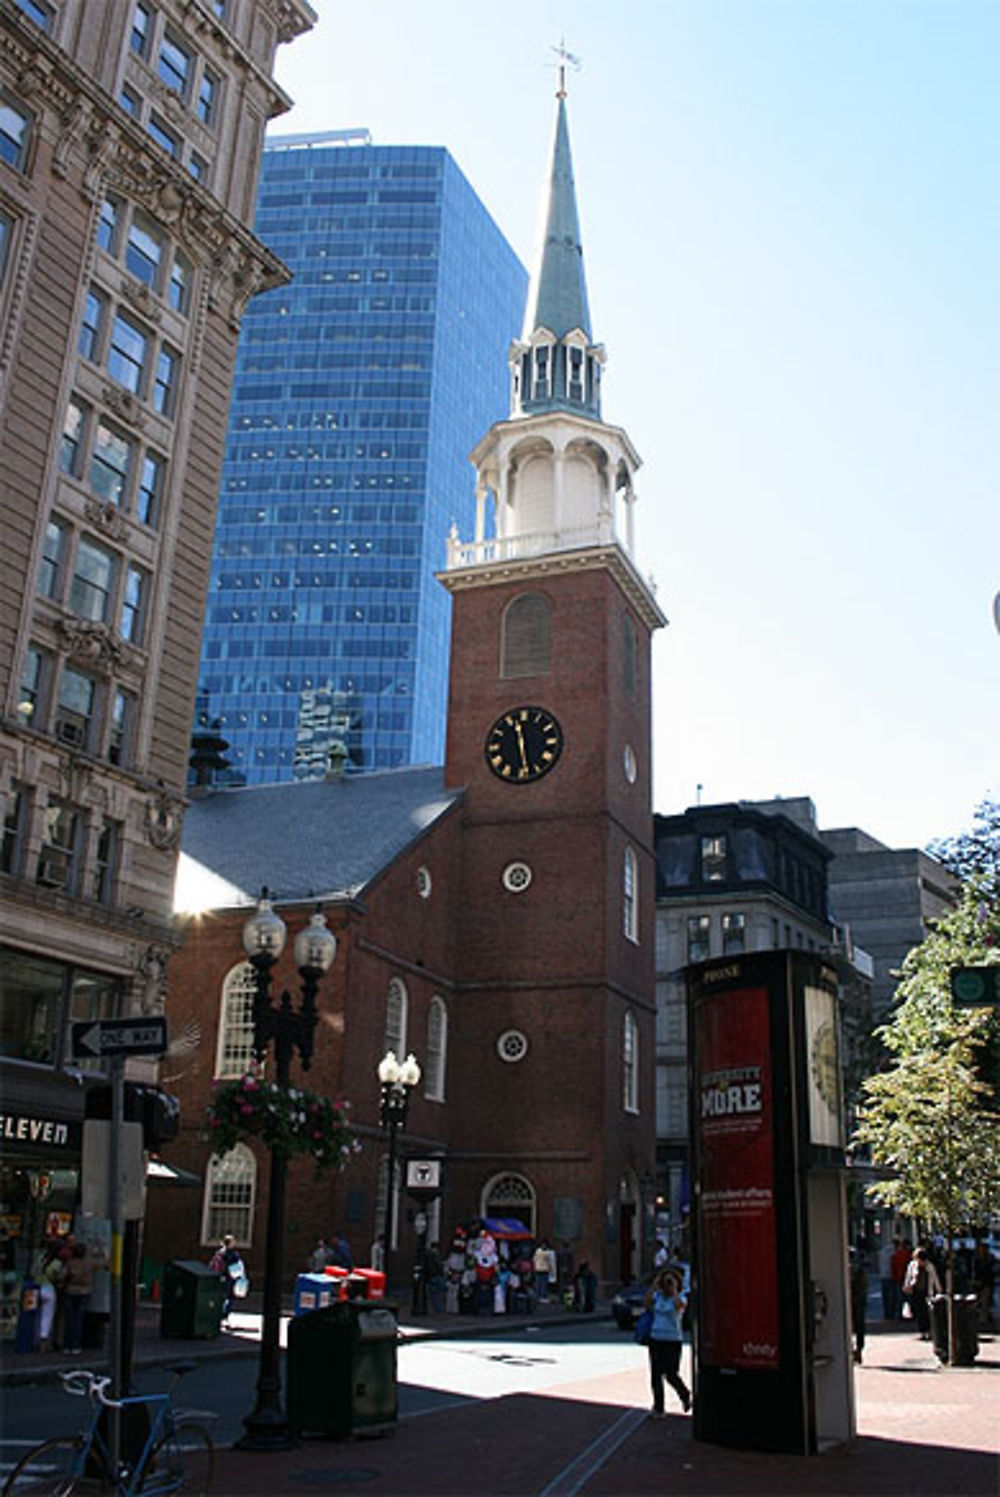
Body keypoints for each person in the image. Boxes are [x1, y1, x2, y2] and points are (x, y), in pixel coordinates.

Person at [645, 1266, 691, 1418]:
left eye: (669, 1282)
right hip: (656, 1338)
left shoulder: (681, 1297)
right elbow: (647, 1304)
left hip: (673, 1340)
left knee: (671, 1374)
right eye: (665, 1282)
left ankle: (684, 1395)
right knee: (656, 1375)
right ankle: (659, 1408)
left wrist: (675, 1290)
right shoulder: (658, 1296)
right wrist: (654, 1285)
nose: (667, 1286)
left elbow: (679, 1307)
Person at [61, 1243, 95, 1356]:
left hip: (71, 1291)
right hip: (84, 1292)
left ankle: (67, 1345)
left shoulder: (70, 1264)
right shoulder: (89, 1263)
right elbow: (105, 1264)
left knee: (69, 1320)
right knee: (78, 1319)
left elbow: (62, 1275)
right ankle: (76, 1345)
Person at [903, 1245, 941, 1340]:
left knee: (927, 1312)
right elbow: (909, 1276)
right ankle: (922, 1331)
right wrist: (907, 1285)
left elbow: (935, 1277)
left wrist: (938, 1289)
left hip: (927, 1291)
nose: (918, 1261)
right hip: (916, 1291)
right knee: (919, 1312)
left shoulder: (929, 1266)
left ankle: (928, 1331)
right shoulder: (912, 1265)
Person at [849, 1247, 868, 1363]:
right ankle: (858, 1350)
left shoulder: (847, 1269)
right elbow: (864, 1286)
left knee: (851, 1327)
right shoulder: (860, 1269)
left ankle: (853, 1350)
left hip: (852, 1301)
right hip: (859, 1301)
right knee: (859, 1327)